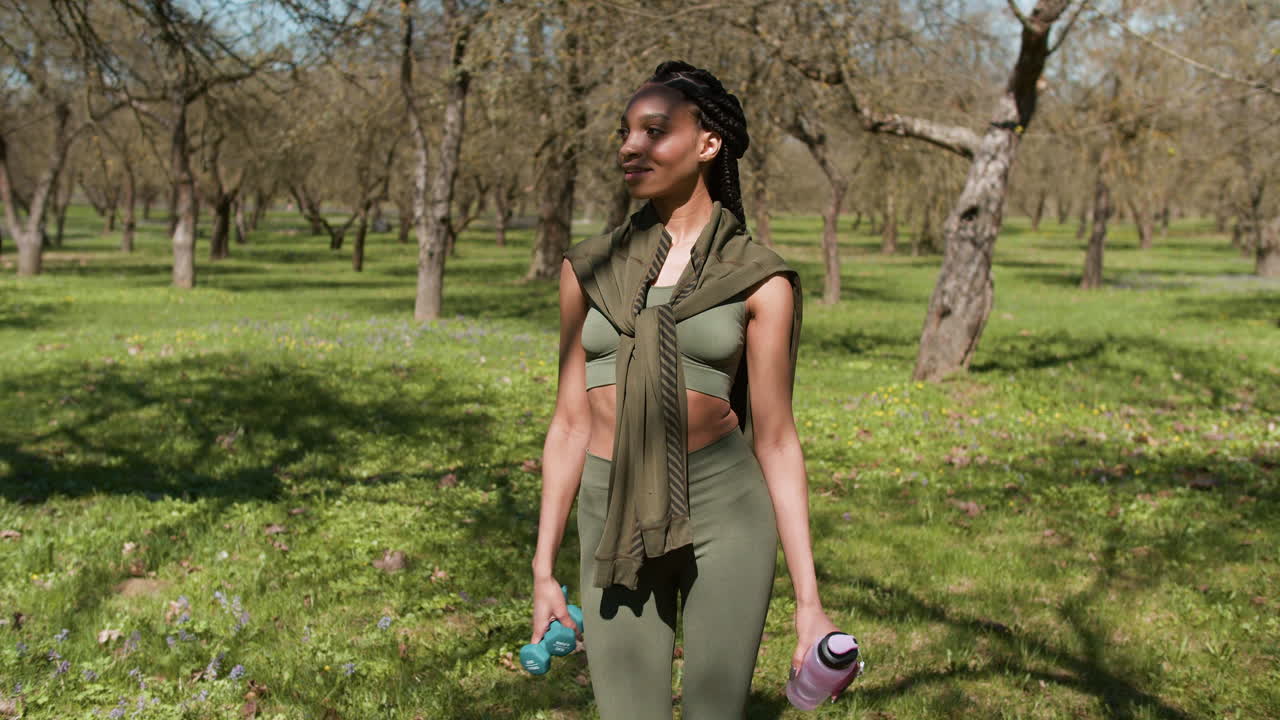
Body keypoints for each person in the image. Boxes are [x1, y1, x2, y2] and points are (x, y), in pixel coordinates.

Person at [529, 60, 840, 719]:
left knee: (714, 711)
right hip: (609, 509)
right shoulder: (587, 270)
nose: (630, 147)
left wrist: (808, 604)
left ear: (708, 143)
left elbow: (778, 440)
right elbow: (568, 422)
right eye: (625, 133)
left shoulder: (759, 278)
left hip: (725, 510)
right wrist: (542, 570)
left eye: (654, 130)